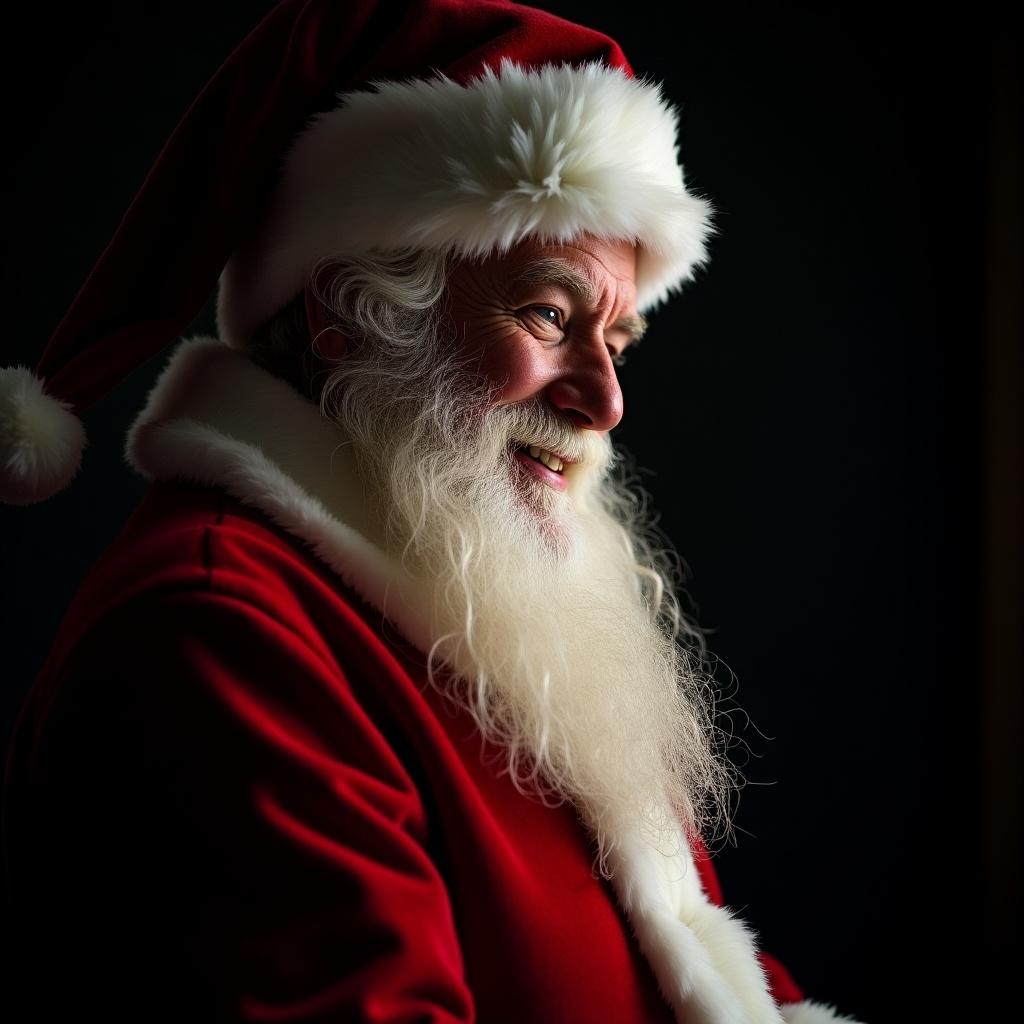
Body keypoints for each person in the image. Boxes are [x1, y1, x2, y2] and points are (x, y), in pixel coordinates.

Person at [0, 1, 864, 1021]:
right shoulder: (217, 629)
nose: (604, 399)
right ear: (345, 314)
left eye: (617, 340)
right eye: (548, 314)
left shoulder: (484, 610)